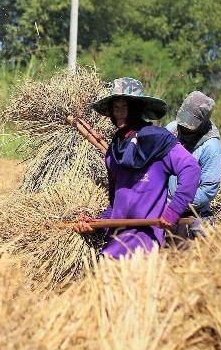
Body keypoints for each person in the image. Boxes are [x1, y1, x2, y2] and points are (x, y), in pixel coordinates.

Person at [73, 78, 201, 259]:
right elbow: (117, 202)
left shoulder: (158, 141)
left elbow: (191, 169)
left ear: (136, 109)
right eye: (115, 108)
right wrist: (95, 224)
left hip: (143, 244)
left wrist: (173, 210)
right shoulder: (113, 152)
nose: (119, 113)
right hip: (115, 244)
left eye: (125, 107)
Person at [166, 91, 221, 237]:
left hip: (194, 209)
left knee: (199, 249)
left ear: (202, 123)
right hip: (165, 202)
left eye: (190, 125)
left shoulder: (211, 148)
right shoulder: (172, 129)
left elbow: (208, 189)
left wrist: (177, 204)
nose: (184, 128)